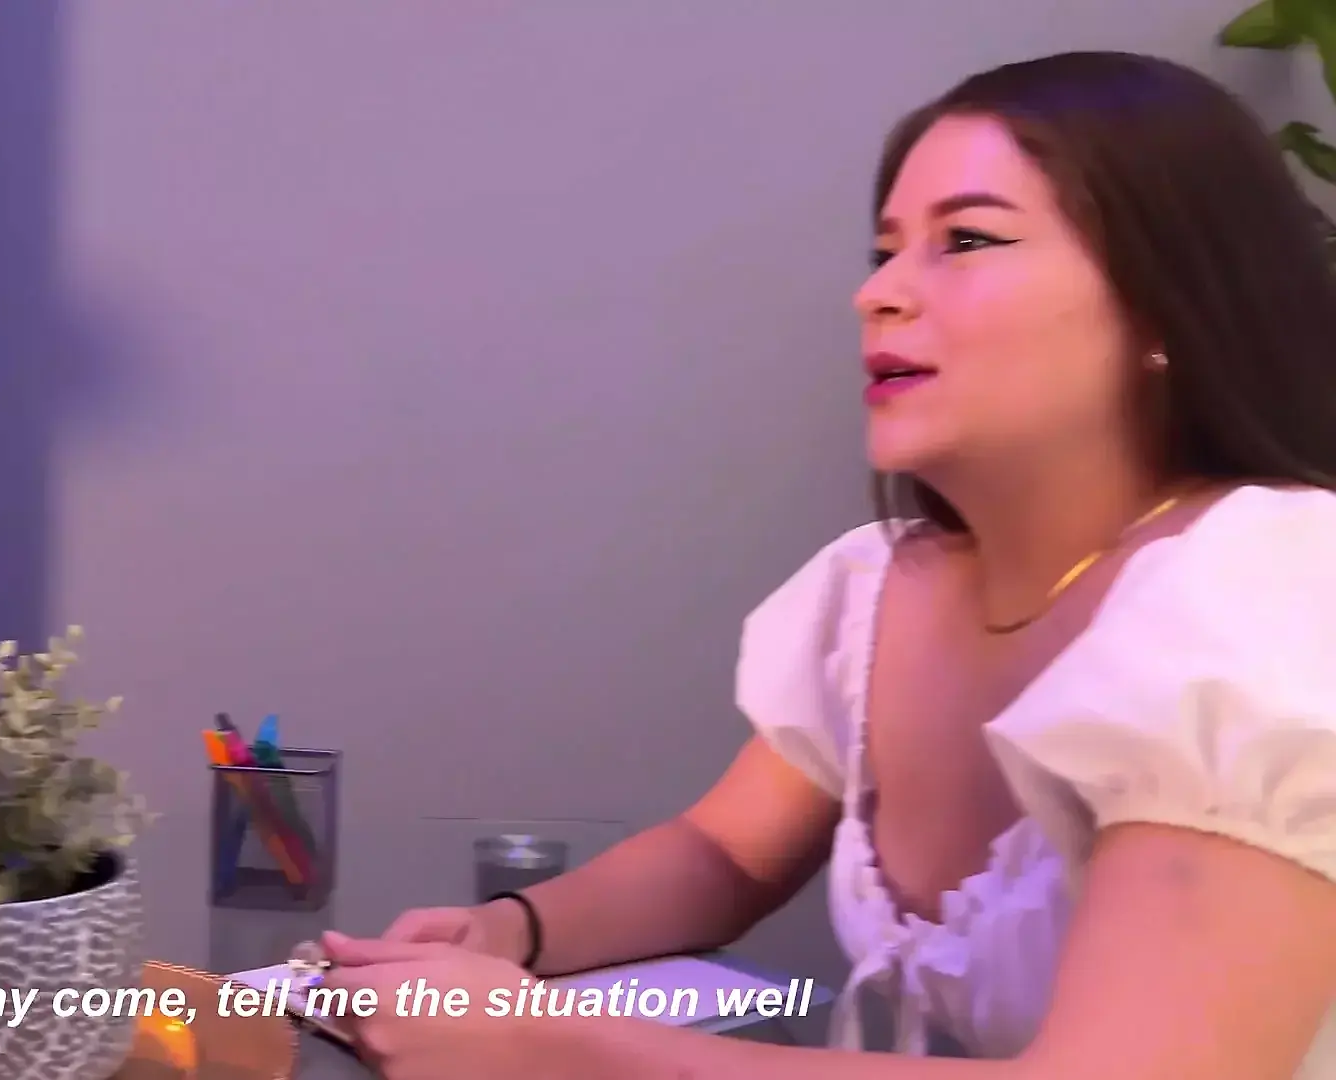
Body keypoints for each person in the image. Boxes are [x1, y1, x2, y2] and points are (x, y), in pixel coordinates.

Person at [321, 50, 1336, 1078]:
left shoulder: (1267, 584)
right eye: (884, 252)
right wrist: (508, 934)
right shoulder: (877, 588)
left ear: (1164, 305)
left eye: (966, 240)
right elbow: (725, 853)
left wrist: (542, 1043)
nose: (878, 294)